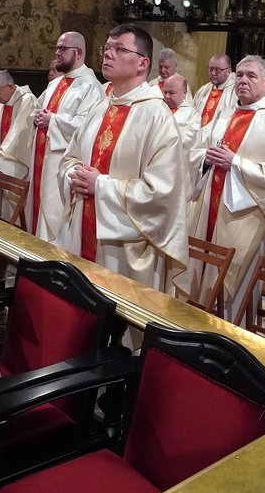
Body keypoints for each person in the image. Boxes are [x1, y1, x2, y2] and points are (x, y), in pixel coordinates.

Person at [57, 24, 188, 294]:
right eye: (107, 48)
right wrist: (73, 175)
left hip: (123, 252)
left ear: (143, 63)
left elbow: (162, 193)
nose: (108, 54)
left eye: (119, 49)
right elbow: (70, 158)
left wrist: (100, 186)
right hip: (80, 233)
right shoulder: (100, 107)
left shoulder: (157, 116)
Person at [187, 55, 265, 317]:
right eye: (240, 75)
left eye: (251, 76)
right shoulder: (225, 114)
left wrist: (235, 163)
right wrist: (205, 158)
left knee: (232, 283)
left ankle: (226, 331)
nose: (243, 80)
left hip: (245, 216)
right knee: (200, 270)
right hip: (208, 206)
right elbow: (197, 147)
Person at [29, 31, 105, 241]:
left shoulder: (90, 86)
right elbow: (37, 110)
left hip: (60, 165)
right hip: (41, 160)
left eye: (63, 49)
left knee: (53, 222)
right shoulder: (55, 84)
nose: (57, 53)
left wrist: (53, 120)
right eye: (57, 48)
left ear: (78, 53)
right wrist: (37, 117)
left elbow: (88, 128)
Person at [0, 70, 36, 216]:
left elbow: (17, 137)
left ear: (10, 87)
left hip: (17, 166)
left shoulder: (27, 100)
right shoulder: (3, 104)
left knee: (12, 210)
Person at [162, 73, 201, 160]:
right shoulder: (157, 108)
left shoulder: (192, 115)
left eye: (171, 93)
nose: (167, 96)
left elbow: (189, 139)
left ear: (184, 93)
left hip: (176, 159)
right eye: (165, 92)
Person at [192, 54, 237, 127]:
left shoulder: (236, 92)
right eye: (210, 69)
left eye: (217, 70)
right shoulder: (202, 90)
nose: (213, 73)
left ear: (228, 71)